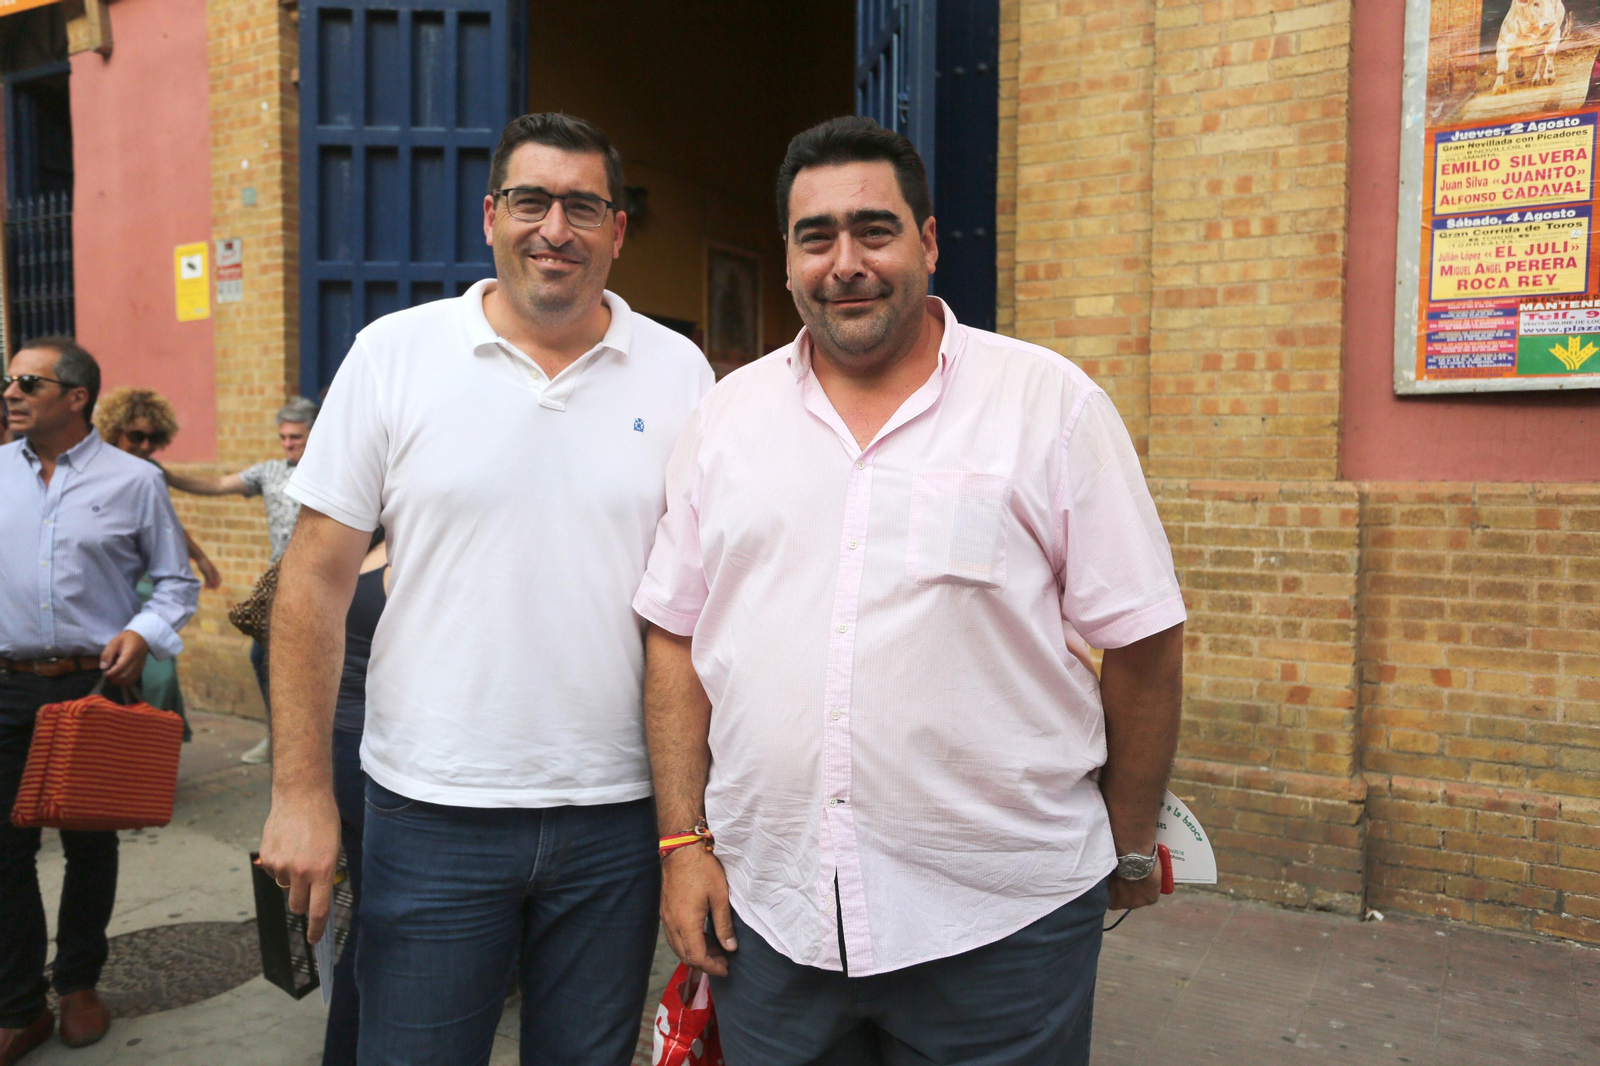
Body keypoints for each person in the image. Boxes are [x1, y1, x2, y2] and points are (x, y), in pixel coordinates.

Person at [636, 116, 1187, 1066]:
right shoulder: (725, 420)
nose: (846, 262)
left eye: (874, 230)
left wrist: (1130, 843)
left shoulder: (1049, 407)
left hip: (1001, 927)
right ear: (788, 259)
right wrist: (683, 845)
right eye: (817, 237)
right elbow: (676, 638)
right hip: (773, 918)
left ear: (928, 242)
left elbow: (1144, 640)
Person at [258, 112, 713, 1065]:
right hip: (430, 810)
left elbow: (701, 601)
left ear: (618, 230)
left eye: (582, 207)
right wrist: (301, 791)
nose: (555, 228)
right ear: (490, 215)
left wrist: (692, 827)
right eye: (530, 201)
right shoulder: (394, 353)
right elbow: (313, 582)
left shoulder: (680, 373)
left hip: (616, 815)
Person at [0, 339, 200, 1062]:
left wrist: (143, 633)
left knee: (90, 843)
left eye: (28, 382)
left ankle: (79, 982)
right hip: (8, 685)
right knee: (5, 850)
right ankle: (18, 1004)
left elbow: (176, 583)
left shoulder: (133, 480)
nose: (11, 392)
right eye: (9, 381)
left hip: (93, 687)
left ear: (76, 397)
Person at [163, 396, 318, 763]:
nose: (288, 444)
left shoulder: (334, 471)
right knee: (261, 657)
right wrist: (165, 476)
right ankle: (277, 735)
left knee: (318, 664)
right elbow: (217, 484)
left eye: (295, 437)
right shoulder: (270, 472)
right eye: (283, 437)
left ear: (315, 433)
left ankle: (315, 742)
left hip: (323, 582)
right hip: (279, 584)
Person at [96, 387, 224, 741]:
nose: (145, 445)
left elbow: (167, 523)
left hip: (151, 582)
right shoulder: (95, 467)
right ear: (115, 429)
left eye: (153, 438)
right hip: (111, 580)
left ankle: (153, 746)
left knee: (159, 675)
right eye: (136, 435)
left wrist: (200, 558)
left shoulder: (149, 470)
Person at [322, 528, 387, 1066]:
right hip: (371, 756)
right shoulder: (396, 556)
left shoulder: (359, 547)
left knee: (371, 916)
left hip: (345, 747)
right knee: (378, 926)